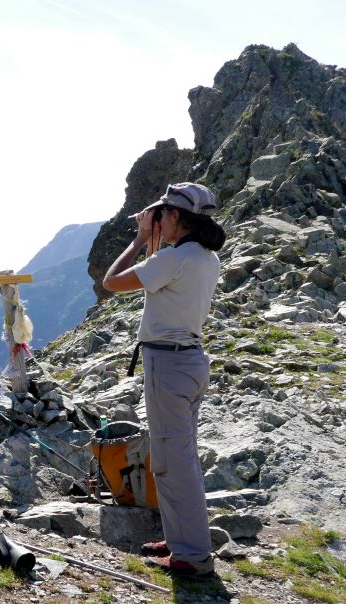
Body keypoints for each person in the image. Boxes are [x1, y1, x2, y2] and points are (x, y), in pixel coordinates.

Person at [101, 182, 227, 576]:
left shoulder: (175, 258)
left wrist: (140, 237)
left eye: (162, 214)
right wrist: (155, 239)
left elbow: (111, 281)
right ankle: (180, 541)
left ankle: (192, 555)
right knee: (177, 456)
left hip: (168, 367)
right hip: (188, 362)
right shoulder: (203, 257)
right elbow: (160, 274)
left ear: (175, 216)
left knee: (175, 462)